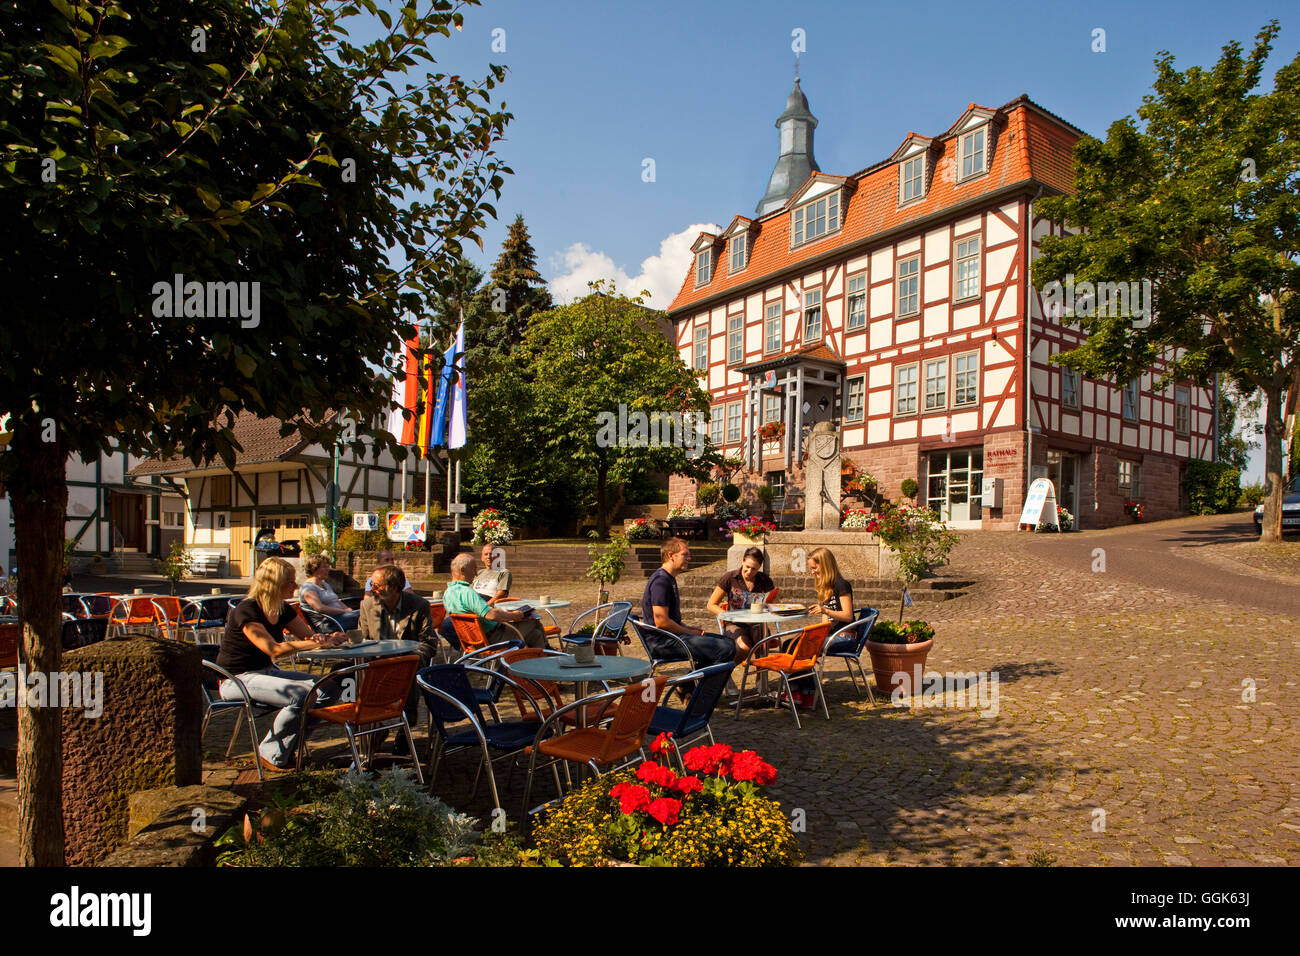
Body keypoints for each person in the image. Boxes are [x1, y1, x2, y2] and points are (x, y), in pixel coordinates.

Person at [216, 557, 347, 773]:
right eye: (290, 582)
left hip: (266, 672)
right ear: (274, 584)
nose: (295, 586)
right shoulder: (247, 610)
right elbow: (273, 649)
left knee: (328, 687)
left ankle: (290, 743)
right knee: (302, 694)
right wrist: (309, 643)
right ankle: (271, 752)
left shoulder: (282, 609)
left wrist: (328, 638)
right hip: (236, 678)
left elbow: (309, 637)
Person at [359, 564, 436, 745]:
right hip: (378, 664)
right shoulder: (367, 606)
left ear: (393, 588)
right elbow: (363, 641)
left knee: (408, 667)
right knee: (347, 669)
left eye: (376, 586)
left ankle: (406, 725)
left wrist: (409, 658)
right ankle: (372, 723)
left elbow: (429, 643)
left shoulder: (418, 605)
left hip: (408, 661)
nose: (372, 589)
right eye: (371, 585)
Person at [640, 537, 735, 668]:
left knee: (726, 642)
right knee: (725, 648)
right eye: (685, 554)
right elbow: (661, 621)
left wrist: (690, 629)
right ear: (670, 556)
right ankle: (698, 686)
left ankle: (688, 686)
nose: (689, 558)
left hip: (670, 638)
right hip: (662, 643)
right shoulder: (661, 581)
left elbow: (671, 620)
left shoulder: (669, 579)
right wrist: (688, 632)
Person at [791, 546, 855, 709]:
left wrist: (826, 610)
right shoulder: (824, 586)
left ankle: (809, 692)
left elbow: (847, 615)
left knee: (802, 648)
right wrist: (816, 631)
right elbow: (825, 620)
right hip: (831, 633)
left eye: (814, 568)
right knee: (789, 644)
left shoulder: (841, 585)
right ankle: (796, 689)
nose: (812, 572)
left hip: (845, 635)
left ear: (825, 565)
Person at [442, 552, 547, 649]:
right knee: (534, 621)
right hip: (493, 638)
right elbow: (491, 615)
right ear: (462, 570)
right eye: (474, 569)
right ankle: (546, 652)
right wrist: (515, 615)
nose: (476, 574)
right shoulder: (466, 592)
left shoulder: (447, 594)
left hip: (473, 639)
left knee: (535, 635)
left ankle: (539, 658)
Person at [706, 546, 776, 663]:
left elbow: (774, 604)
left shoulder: (764, 580)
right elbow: (711, 604)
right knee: (744, 647)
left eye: (754, 569)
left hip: (757, 623)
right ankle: (724, 672)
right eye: (747, 567)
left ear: (759, 567)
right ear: (743, 560)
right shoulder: (730, 578)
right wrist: (728, 615)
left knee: (762, 643)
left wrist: (769, 603)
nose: (749, 572)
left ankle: (760, 678)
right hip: (735, 624)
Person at [299, 553, 360, 630]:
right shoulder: (308, 588)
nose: (328, 569)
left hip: (339, 618)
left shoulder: (325, 584)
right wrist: (343, 611)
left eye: (328, 566)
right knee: (364, 615)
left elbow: (337, 601)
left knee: (366, 613)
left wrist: (349, 611)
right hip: (328, 623)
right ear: (313, 569)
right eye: (324, 567)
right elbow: (320, 608)